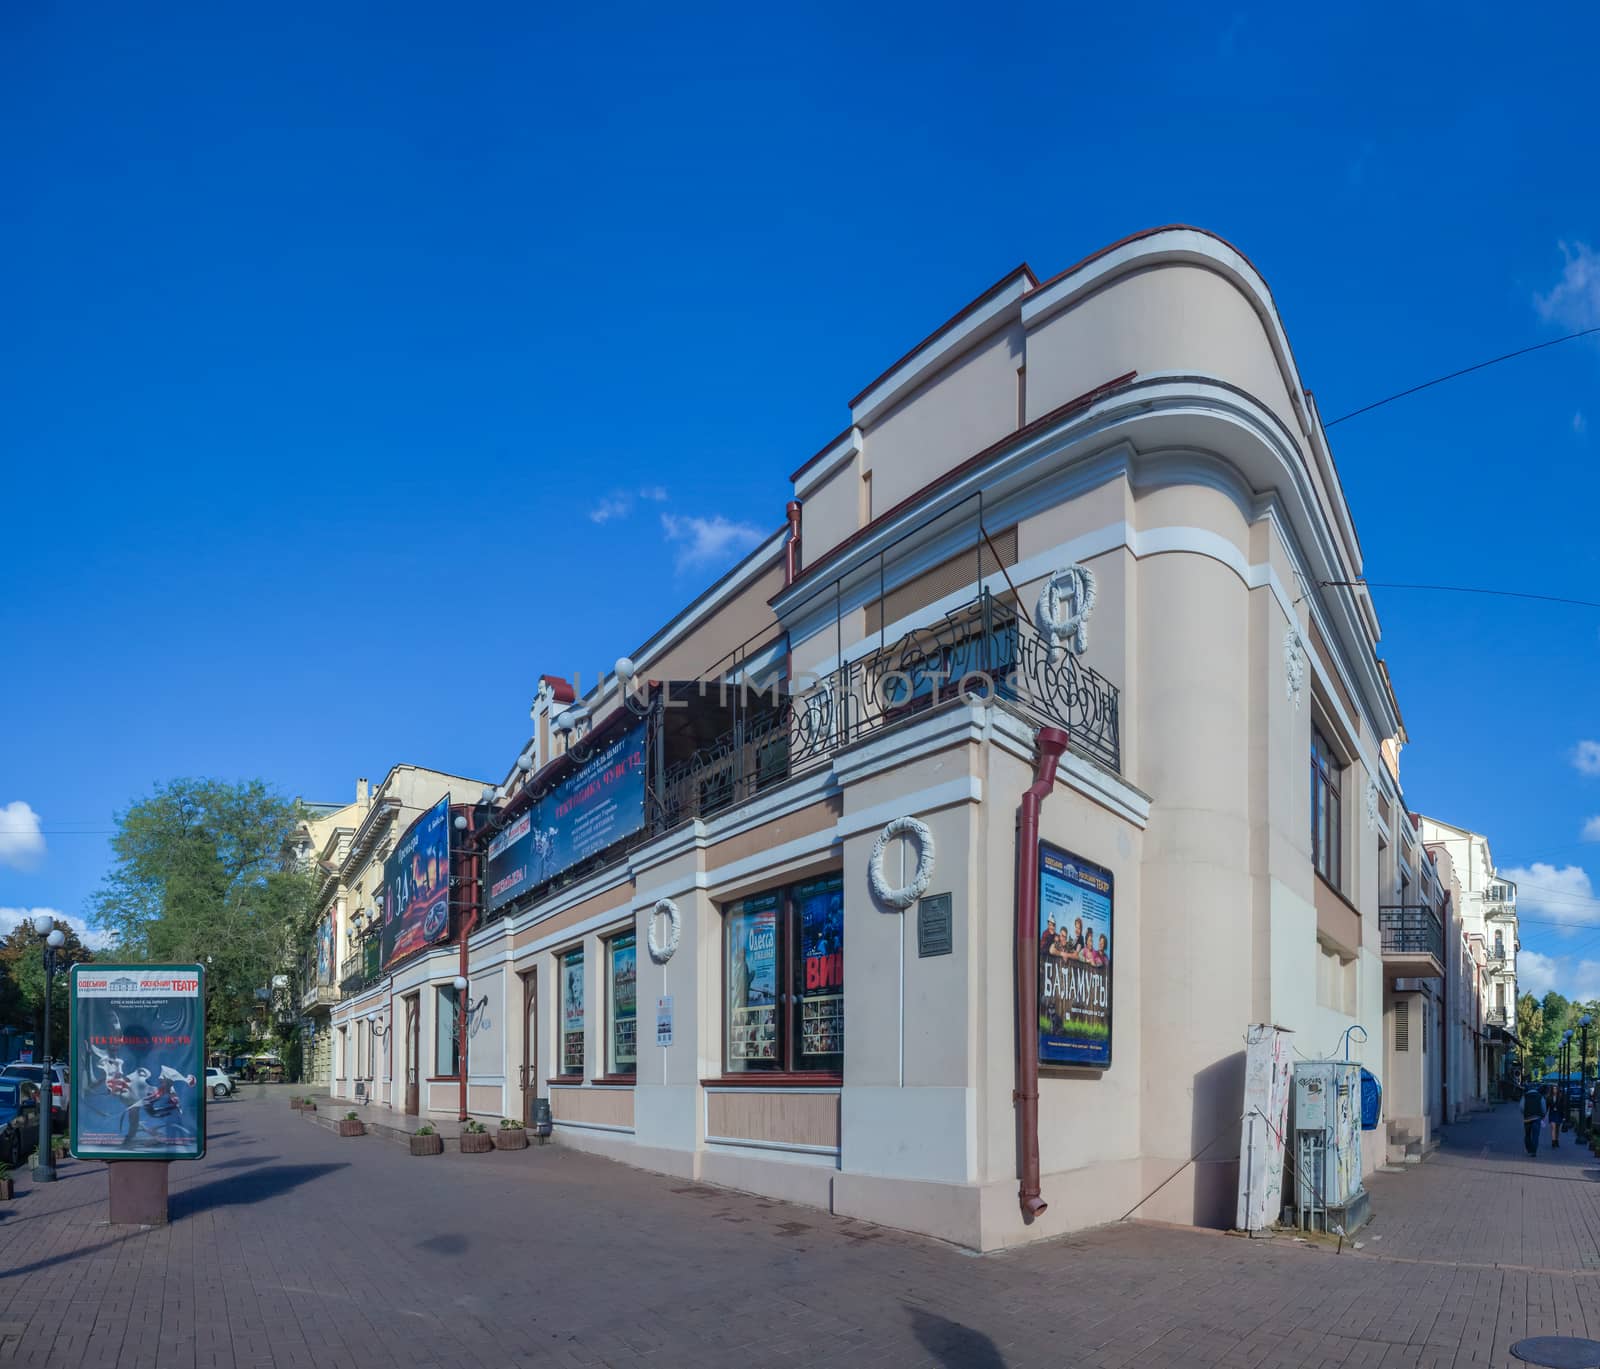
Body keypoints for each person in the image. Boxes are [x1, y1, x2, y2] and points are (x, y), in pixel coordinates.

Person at [1523, 1083, 1547, 1156]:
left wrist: (1525, 1112)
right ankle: (1534, 1151)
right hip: (1537, 1118)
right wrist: (1543, 1115)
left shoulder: (1525, 1096)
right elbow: (1543, 1108)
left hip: (1527, 1118)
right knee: (1535, 1135)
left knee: (1527, 1134)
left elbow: (1521, 1107)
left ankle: (1528, 1148)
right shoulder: (1540, 1097)